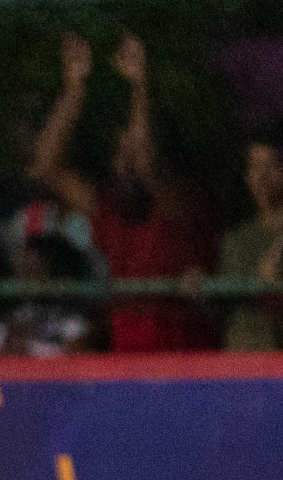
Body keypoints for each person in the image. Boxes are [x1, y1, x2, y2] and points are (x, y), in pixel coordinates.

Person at [29, 32, 215, 352]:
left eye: (129, 154)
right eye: (119, 156)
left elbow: (146, 166)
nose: (123, 165)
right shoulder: (112, 206)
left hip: (185, 370)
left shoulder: (182, 203)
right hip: (128, 372)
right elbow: (46, 168)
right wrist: (74, 93)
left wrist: (140, 86)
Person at [217, 123, 283, 351]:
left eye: (272, 166)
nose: (261, 178)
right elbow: (222, 301)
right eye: (254, 167)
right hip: (244, 366)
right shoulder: (237, 239)